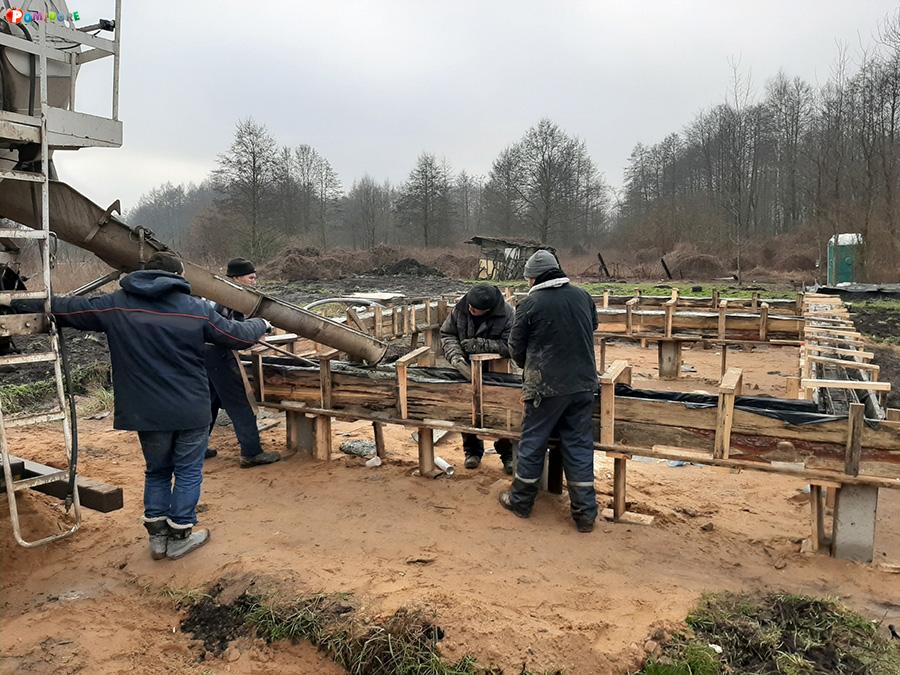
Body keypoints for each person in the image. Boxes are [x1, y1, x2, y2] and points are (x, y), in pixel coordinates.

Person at [43, 252, 270, 559]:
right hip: (190, 408)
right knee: (188, 471)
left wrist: (17, 302)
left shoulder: (117, 305)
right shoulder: (196, 310)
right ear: (179, 276)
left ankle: (158, 539)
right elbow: (237, 335)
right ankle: (180, 535)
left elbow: (65, 308)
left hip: (145, 411)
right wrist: (262, 323)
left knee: (157, 471)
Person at [500, 250, 599, 532]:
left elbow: (515, 347)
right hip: (582, 384)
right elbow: (590, 327)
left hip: (546, 387)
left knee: (533, 442)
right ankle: (585, 514)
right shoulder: (582, 296)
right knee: (579, 445)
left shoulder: (530, 304)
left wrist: (529, 367)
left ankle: (520, 501)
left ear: (532, 277)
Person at [205, 257, 280, 468]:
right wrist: (260, 326)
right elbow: (233, 334)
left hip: (204, 353)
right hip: (217, 354)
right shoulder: (230, 297)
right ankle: (251, 452)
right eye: (251, 277)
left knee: (209, 401)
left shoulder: (218, 291)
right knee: (240, 403)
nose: (254, 281)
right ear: (237, 277)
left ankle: (196, 448)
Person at [440, 283, 515, 473]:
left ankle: (508, 455)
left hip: (499, 372)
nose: (471, 310)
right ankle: (472, 452)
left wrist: (480, 344)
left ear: (489, 309)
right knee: (468, 411)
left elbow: (512, 345)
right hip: (466, 369)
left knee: (500, 413)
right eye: (470, 307)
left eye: (476, 310)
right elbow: (447, 334)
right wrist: (455, 357)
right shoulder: (460, 308)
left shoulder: (507, 314)